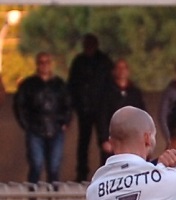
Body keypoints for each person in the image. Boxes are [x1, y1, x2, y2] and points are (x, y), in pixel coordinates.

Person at [14, 52, 71, 183]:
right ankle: (33, 192)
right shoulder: (29, 84)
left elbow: (68, 104)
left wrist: (65, 122)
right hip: (35, 129)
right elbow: (19, 105)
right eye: (41, 62)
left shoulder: (59, 84)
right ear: (37, 64)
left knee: (54, 166)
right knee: (36, 164)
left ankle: (53, 193)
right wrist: (26, 124)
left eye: (47, 62)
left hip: (56, 129)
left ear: (51, 64)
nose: (44, 65)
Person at [68, 34, 114, 181]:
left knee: (104, 140)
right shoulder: (79, 61)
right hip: (84, 109)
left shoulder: (104, 62)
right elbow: (72, 85)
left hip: (102, 108)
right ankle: (81, 173)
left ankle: (105, 172)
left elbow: (110, 85)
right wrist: (76, 105)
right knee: (83, 142)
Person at [97, 60, 147, 163]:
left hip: (132, 138)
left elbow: (142, 115)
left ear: (128, 71)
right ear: (114, 71)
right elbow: (102, 117)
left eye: (124, 68)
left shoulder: (135, 93)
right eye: (118, 68)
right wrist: (104, 139)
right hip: (113, 139)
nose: (121, 71)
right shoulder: (106, 92)